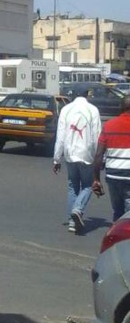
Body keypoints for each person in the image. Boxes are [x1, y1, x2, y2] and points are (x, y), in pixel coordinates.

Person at [52, 90, 102, 234]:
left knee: (72, 186)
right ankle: (78, 209)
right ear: (87, 95)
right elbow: (96, 135)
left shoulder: (66, 110)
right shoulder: (93, 110)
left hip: (69, 154)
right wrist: (98, 157)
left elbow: (60, 136)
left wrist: (57, 159)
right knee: (87, 185)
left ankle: (72, 223)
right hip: (86, 154)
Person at [92, 94, 130, 222]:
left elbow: (98, 155)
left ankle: (117, 237)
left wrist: (96, 179)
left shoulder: (108, 126)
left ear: (121, 107)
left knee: (118, 211)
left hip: (113, 176)